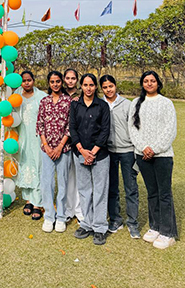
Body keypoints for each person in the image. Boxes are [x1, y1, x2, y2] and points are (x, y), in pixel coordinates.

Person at [128, 70, 178, 249]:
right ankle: (155, 226)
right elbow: (132, 129)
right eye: (146, 81)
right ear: (142, 84)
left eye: (152, 81)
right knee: (152, 192)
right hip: (142, 155)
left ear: (158, 83)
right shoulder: (136, 103)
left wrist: (154, 149)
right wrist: (143, 148)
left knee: (164, 193)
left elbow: (170, 130)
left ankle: (168, 232)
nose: (149, 83)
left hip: (162, 156)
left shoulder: (166, 103)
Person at [69, 73, 111, 246]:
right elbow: (72, 128)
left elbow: (105, 130)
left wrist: (92, 152)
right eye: (85, 85)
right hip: (79, 152)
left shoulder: (102, 105)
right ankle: (87, 224)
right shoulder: (75, 105)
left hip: (99, 155)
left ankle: (100, 227)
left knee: (100, 191)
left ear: (96, 87)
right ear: (81, 86)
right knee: (85, 190)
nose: (88, 88)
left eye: (91, 85)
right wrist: (82, 151)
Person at [100, 74, 140, 238]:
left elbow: (136, 128)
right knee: (112, 187)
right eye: (105, 87)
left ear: (115, 86)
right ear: (101, 89)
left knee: (131, 188)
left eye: (111, 86)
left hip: (127, 151)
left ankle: (133, 222)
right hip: (108, 151)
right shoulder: (100, 104)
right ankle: (115, 219)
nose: (109, 89)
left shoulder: (128, 105)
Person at [36, 71, 73, 233]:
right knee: (47, 183)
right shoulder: (44, 101)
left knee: (63, 183)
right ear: (49, 83)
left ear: (61, 83)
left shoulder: (69, 101)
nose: (55, 84)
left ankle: (61, 217)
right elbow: (40, 124)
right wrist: (47, 146)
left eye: (58, 81)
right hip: (47, 150)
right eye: (52, 81)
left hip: (63, 149)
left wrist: (59, 147)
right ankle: (49, 216)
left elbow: (71, 125)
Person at [13, 70, 47, 220]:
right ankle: (28, 200)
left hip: (38, 137)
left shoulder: (41, 97)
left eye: (29, 80)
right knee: (25, 164)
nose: (26, 83)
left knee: (38, 165)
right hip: (22, 136)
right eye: (24, 80)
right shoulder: (16, 96)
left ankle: (38, 202)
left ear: (34, 81)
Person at [62, 68, 84, 222]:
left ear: (77, 80)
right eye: (68, 78)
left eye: (73, 78)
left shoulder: (83, 95)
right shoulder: (60, 93)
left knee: (80, 176)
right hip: (63, 140)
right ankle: (69, 209)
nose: (70, 81)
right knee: (67, 177)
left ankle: (80, 210)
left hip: (79, 140)